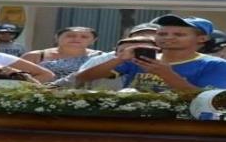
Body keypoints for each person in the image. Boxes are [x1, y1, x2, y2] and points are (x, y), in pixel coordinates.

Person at [76, 15, 226, 92]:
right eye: (162, 34)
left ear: (202, 38)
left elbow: (211, 100)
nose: (168, 38)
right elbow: (82, 78)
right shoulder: (141, 58)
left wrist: (167, 75)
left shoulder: (214, 65)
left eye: (179, 35)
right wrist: (118, 59)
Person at [78, 35, 158, 91]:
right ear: (115, 53)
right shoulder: (102, 63)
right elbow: (81, 78)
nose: (132, 54)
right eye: (125, 50)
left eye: (141, 51)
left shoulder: (163, 65)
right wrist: (120, 59)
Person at [22, 26, 101, 82]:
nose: (76, 39)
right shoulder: (35, 56)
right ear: (57, 38)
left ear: (93, 41)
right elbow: (19, 78)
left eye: (84, 37)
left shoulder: (100, 57)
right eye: (70, 36)